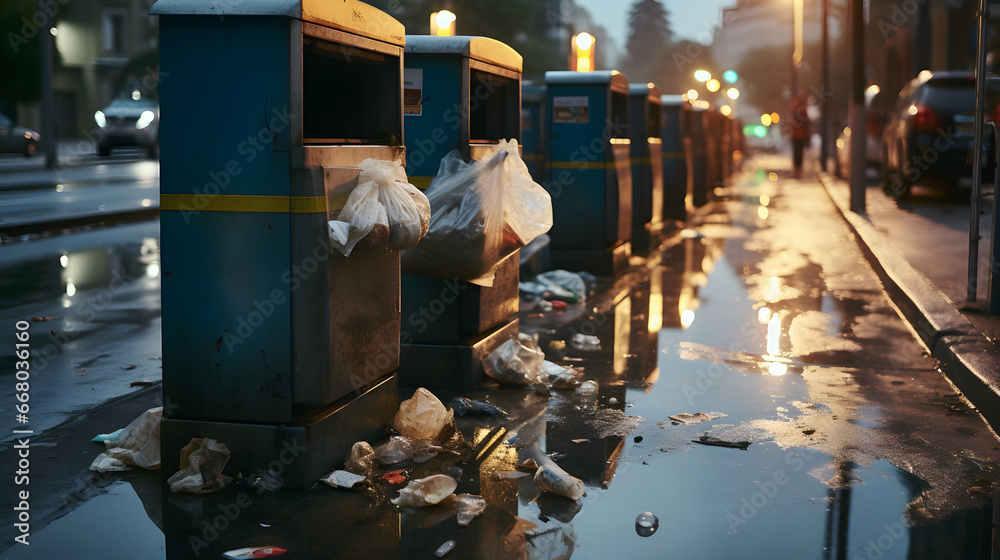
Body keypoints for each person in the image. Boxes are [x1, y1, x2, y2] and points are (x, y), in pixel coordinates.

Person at [787, 90, 811, 178]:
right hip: (798, 134)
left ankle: (798, 169)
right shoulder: (800, 109)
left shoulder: (801, 109)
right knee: (798, 152)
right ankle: (798, 169)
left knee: (798, 152)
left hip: (799, 134)